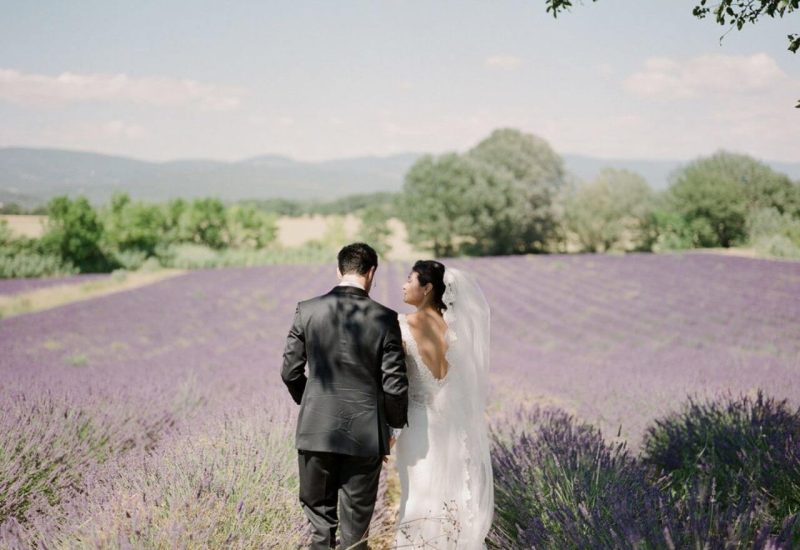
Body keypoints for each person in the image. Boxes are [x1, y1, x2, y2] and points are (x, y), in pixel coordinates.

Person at [281, 242, 409, 550]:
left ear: (339, 270)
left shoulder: (307, 309)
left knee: (320, 523)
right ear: (372, 272)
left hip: (316, 431)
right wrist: (393, 425)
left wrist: (311, 402)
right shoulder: (385, 318)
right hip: (365, 435)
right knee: (356, 530)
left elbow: (290, 372)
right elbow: (394, 383)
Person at [391, 260, 494, 549]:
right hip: (450, 422)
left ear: (427, 288)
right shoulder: (457, 329)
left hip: (417, 422)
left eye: (409, 279)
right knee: (451, 492)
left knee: (416, 493)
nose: (403, 284)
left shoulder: (401, 324)